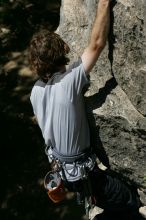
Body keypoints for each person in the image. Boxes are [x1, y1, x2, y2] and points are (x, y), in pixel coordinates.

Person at [29, 0, 144, 219]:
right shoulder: (70, 83)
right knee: (129, 199)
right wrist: (103, 4)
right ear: (61, 53)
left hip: (62, 172)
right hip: (85, 176)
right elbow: (97, 44)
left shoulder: (35, 91)